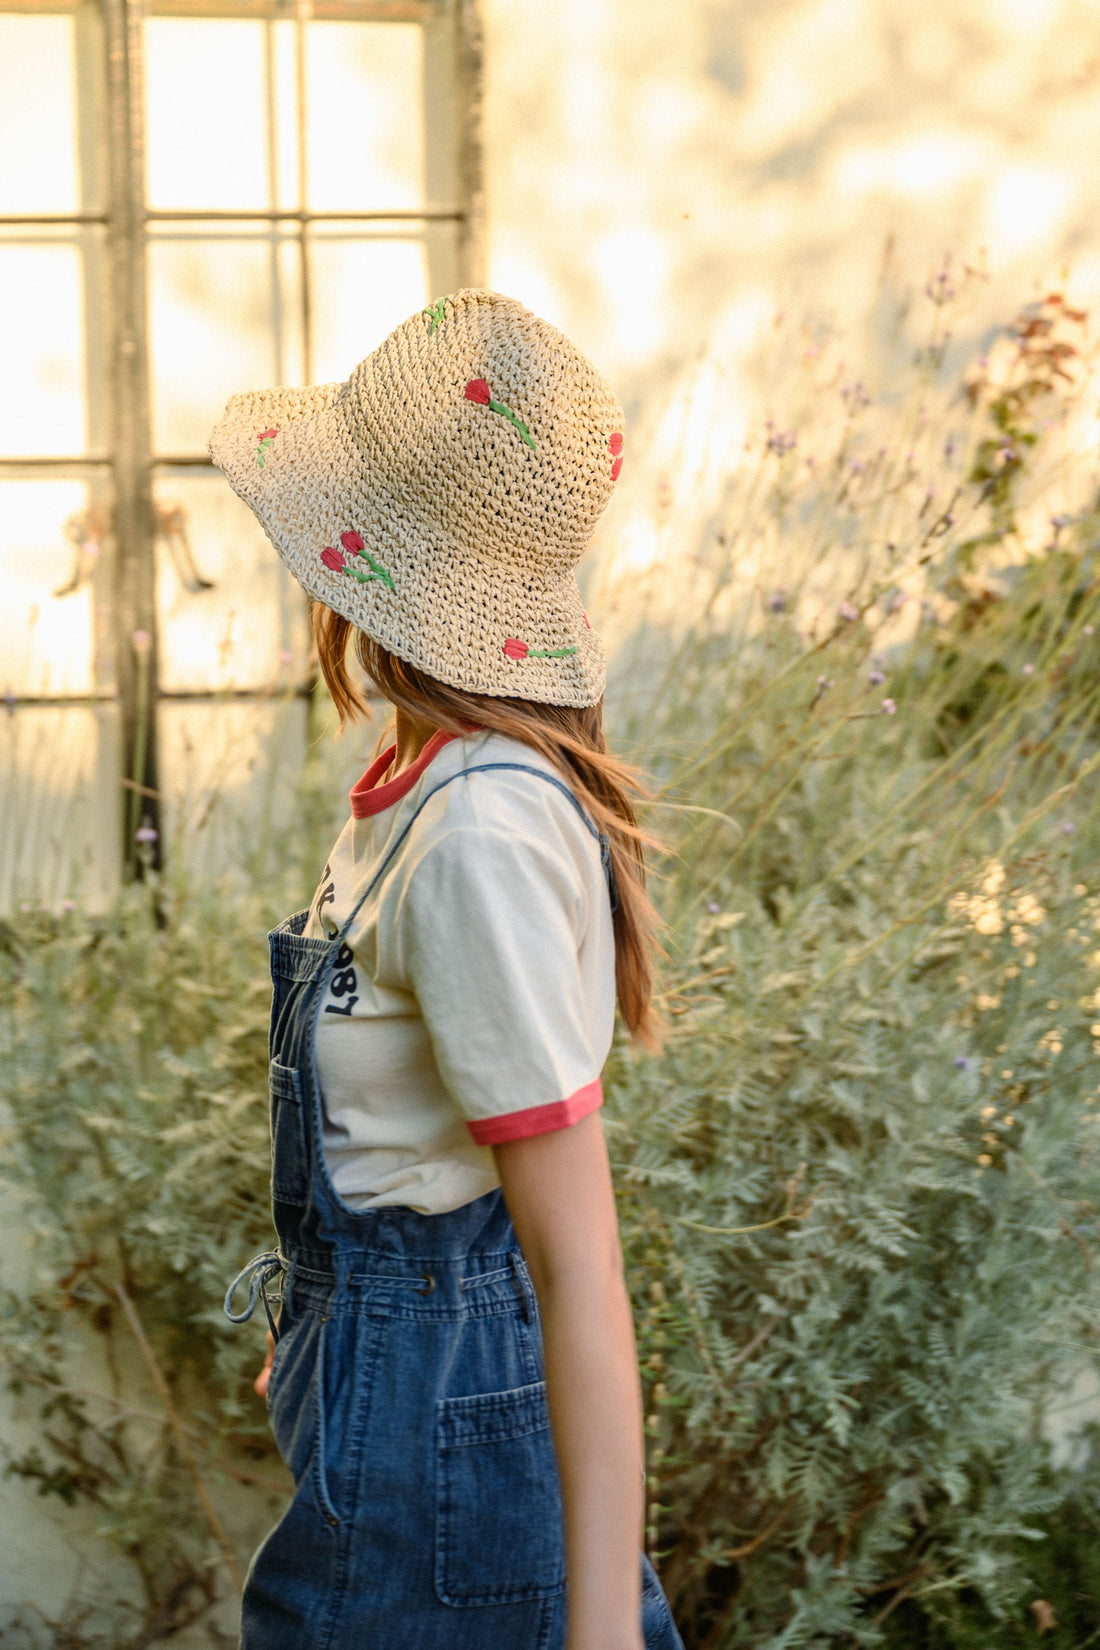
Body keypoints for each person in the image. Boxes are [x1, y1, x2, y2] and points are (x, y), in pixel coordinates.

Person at [213, 288, 682, 1650]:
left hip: (439, 1421)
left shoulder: (475, 826)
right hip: (389, 1378)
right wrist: (324, 1316)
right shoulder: (422, 784)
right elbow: (403, 1127)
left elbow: (576, 1266)